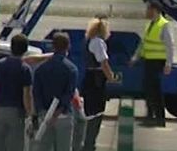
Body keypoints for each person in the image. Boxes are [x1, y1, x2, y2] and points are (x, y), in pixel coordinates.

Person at [32, 32, 78, 151]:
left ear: (53, 46)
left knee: (44, 147)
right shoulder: (71, 69)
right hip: (63, 115)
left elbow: (36, 93)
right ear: (68, 46)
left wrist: (42, 111)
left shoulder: (41, 68)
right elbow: (69, 93)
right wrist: (57, 112)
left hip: (45, 116)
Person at [130, 1, 174, 127]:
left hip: (158, 62)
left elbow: (169, 45)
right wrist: (135, 57)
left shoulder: (164, 25)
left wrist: (168, 63)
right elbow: (144, 44)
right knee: (148, 89)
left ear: (154, 10)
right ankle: (150, 115)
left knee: (156, 91)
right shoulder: (150, 24)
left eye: (148, 9)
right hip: (148, 61)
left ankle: (160, 118)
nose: (146, 12)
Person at [0, 34, 33, 151]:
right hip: (16, 111)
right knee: (15, 143)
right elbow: (26, 94)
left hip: (0, 108)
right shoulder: (25, 68)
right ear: (25, 49)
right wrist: (30, 113)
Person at [82, 15, 117, 151]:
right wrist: (111, 77)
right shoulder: (98, 42)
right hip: (96, 80)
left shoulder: (88, 40)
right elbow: (104, 63)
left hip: (90, 78)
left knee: (90, 111)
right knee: (96, 113)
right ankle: (90, 144)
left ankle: (88, 143)